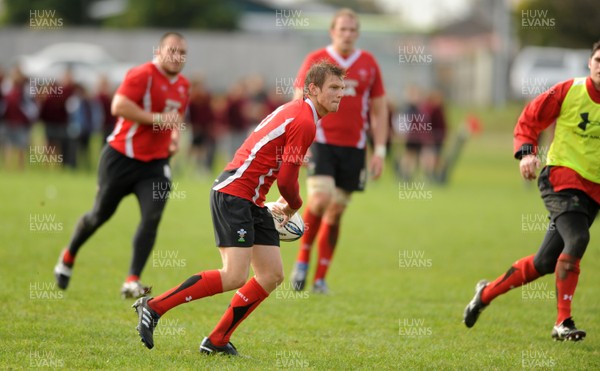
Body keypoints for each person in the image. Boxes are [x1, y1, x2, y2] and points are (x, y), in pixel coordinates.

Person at [132, 61, 345, 356]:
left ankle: (217, 340)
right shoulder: (305, 120)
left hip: (251, 199)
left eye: (342, 88)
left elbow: (274, 151)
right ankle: (153, 307)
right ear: (313, 89)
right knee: (234, 275)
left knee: (271, 274)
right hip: (234, 194)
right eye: (333, 88)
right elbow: (286, 180)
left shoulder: (300, 112)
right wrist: (293, 205)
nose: (340, 94)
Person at [463, 40, 600, 341]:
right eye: (599, 60)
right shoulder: (569, 91)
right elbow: (530, 117)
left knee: (544, 263)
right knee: (577, 238)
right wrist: (527, 152)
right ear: (589, 63)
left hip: (594, 190)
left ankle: (484, 294)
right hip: (561, 180)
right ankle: (562, 322)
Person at [53, 32, 190, 298]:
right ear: (159, 50)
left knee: (152, 217)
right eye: (172, 50)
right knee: (99, 215)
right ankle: (68, 255)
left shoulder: (184, 85)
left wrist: (174, 138)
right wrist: (157, 119)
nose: (177, 57)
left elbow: (176, 118)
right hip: (121, 158)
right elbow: (119, 106)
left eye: (183, 53)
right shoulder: (143, 75)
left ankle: (132, 279)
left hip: (155, 164)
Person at [290, 8, 388, 293]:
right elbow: (299, 101)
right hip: (320, 141)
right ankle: (302, 261)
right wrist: (299, 143)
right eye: (342, 29)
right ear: (332, 31)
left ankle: (320, 279)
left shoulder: (368, 63)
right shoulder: (316, 60)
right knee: (319, 199)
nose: (347, 34)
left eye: (352, 30)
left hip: (354, 148)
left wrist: (379, 150)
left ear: (358, 33)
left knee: (336, 212)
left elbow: (380, 111)